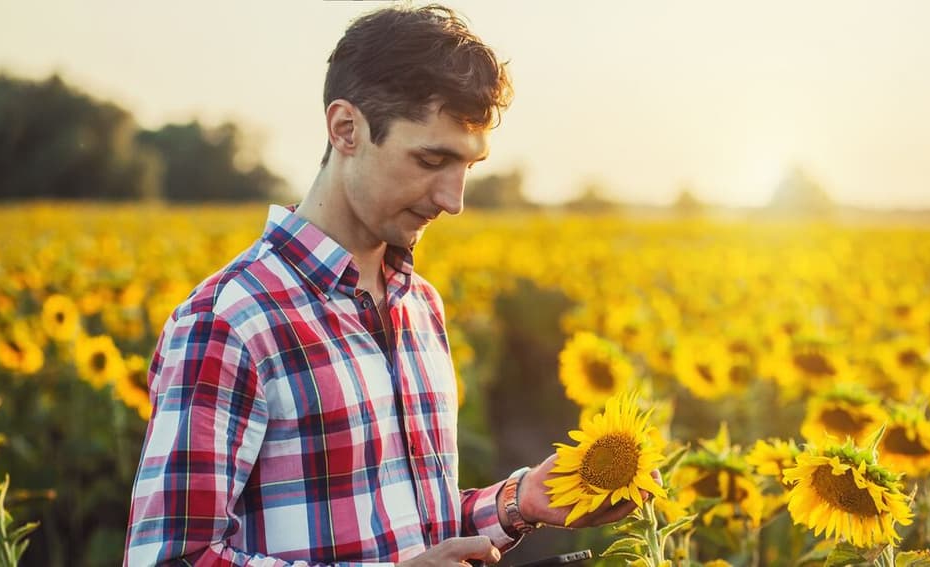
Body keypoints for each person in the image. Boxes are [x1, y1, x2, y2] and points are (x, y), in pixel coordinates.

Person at [123, 5, 642, 565]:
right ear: (346, 129)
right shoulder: (231, 322)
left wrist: (520, 502)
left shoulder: (419, 306)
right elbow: (172, 556)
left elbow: (412, 526)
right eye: (431, 159)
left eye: (468, 166)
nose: (453, 199)